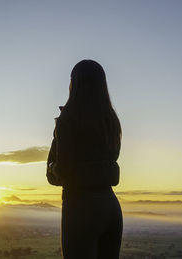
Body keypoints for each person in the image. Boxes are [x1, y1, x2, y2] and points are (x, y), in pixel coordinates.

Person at [46, 59, 122, 258]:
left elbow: (61, 171)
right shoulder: (111, 121)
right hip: (111, 207)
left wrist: (53, 167)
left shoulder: (68, 119)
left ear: (74, 83)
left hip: (80, 208)